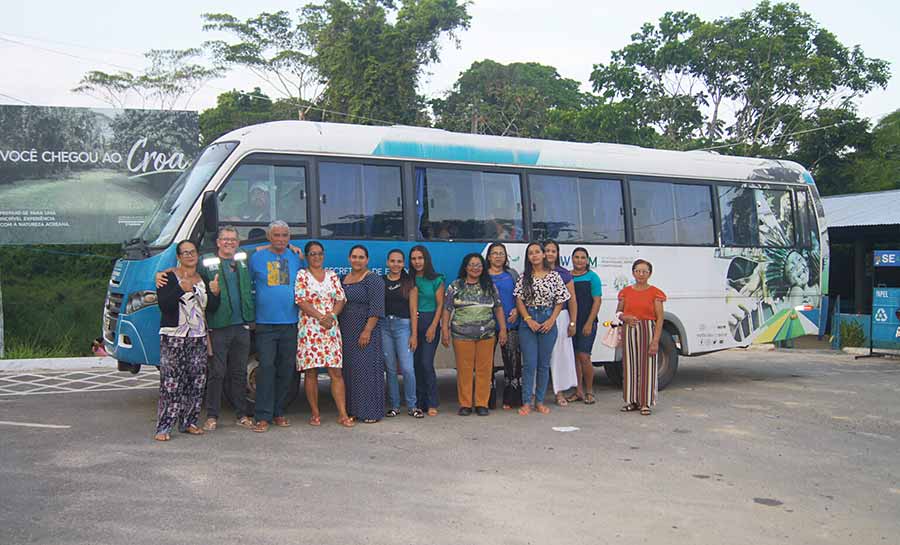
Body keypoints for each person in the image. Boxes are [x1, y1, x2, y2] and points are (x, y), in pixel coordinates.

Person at [154, 240, 220, 441]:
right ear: (179, 256)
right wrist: (180, 289)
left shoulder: (202, 278)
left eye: (193, 252)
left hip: (198, 337)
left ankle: (188, 421)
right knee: (172, 383)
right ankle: (164, 427)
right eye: (185, 253)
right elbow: (165, 306)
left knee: (196, 381)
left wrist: (215, 292)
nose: (190, 256)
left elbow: (211, 308)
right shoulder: (167, 277)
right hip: (174, 336)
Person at [197, 226, 256, 431]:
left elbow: (267, 247)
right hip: (219, 326)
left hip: (242, 326)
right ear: (218, 242)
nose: (229, 243)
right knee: (217, 372)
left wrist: (292, 246)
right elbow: (184, 269)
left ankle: (242, 415)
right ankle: (212, 416)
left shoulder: (241, 259)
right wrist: (163, 272)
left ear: (238, 243)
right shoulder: (206, 262)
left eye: (233, 239)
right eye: (225, 239)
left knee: (239, 372)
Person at [248, 220, 303, 432]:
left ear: (289, 238)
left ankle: (279, 412)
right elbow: (246, 282)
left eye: (285, 236)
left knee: (286, 370)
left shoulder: (296, 257)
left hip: (290, 323)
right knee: (266, 369)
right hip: (265, 324)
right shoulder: (257, 257)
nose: (281, 239)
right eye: (277, 235)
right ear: (269, 237)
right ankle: (262, 416)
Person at [294, 241, 354, 428]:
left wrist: (332, 316)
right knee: (310, 372)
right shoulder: (302, 275)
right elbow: (301, 300)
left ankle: (343, 414)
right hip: (310, 328)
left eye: (319, 253)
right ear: (307, 256)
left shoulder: (332, 276)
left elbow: (340, 298)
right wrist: (320, 317)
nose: (317, 257)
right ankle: (315, 413)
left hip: (330, 328)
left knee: (335, 371)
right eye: (312, 254)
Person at [442, 253, 507, 416]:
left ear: (483, 268)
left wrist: (503, 329)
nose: (475, 268)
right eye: (471, 265)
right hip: (461, 335)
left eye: (478, 265)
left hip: (487, 334)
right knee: (464, 370)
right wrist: (445, 330)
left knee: (484, 370)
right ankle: (465, 404)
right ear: (465, 267)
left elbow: (498, 308)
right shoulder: (455, 286)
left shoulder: (489, 285)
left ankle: (481, 403)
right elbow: (447, 309)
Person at [514, 242, 570, 416]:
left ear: (543, 255)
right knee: (529, 364)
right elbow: (519, 300)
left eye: (537, 252)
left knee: (544, 365)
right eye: (531, 253)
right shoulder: (524, 277)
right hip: (528, 321)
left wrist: (551, 320)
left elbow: (561, 299)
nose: (534, 255)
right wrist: (528, 319)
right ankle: (526, 402)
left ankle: (539, 401)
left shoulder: (554, 276)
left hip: (548, 320)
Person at [340, 245, 386, 424]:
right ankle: (354, 410)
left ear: (367, 260)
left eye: (361, 257)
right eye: (354, 256)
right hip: (346, 331)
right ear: (349, 258)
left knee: (366, 371)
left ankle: (370, 412)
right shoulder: (344, 278)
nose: (357, 260)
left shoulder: (373, 280)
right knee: (350, 371)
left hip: (365, 331)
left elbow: (376, 308)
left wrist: (367, 331)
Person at [617, 259, 666, 416]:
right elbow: (618, 313)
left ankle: (645, 402)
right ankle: (631, 400)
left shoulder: (655, 293)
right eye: (638, 271)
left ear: (650, 274)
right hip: (629, 330)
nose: (641, 274)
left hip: (648, 330)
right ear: (633, 272)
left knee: (648, 367)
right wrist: (625, 317)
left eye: (644, 271)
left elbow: (660, 318)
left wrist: (656, 341)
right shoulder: (625, 292)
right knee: (630, 366)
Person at [382, 249, 423, 418]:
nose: (396, 264)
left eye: (399, 261)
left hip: (403, 327)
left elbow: (414, 310)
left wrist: (414, 334)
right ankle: (395, 406)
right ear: (387, 263)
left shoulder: (409, 283)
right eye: (392, 261)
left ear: (403, 264)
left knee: (407, 368)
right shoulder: (381, 281)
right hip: (384, 326)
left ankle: (412, 405)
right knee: (390, 369)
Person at [487, 242, 523, 409]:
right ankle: (488, 400)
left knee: (512, 362)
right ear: (489, 256)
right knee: (487, 363)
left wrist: (517, 309)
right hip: (487, 325)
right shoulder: (483, 275)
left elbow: (520, 295)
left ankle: (511, 399)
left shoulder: (512, 274)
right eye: (495, 253)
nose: (498, 256)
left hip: (511, 323)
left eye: (501, 253)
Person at [409, 245, 444, 416]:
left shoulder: (436, 279)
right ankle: (419, 402)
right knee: (416, 364)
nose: (417, 262)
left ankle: (432, 402)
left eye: (420, 258)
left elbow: (440, 306)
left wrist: (433, 326)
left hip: (431, 322)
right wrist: (414, 333)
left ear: (426, 259)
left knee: (426, 363)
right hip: (414, 324)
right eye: (414, 259)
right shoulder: (410, 279)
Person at [543, 240, 578, 406]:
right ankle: (537, 395)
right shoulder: (535, 271)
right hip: (540, 316)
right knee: (540, 356)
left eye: (553, 251)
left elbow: (572, 300)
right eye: (547, 250)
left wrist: (573, 322)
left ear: (557, 254)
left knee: (560, 356)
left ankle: (559, 393)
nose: (550, 253)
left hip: (561, 317)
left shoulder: (564, 274)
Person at [570, 247, 602, 404]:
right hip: (572, 322)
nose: (579, 260)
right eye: (576, 257)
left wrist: (589, 322)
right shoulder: (568, 276)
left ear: (587, 260)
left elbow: (597, 301)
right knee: (575, 357)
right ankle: (578, 391)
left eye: (583, 257)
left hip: (587, 322)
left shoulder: (592, 277)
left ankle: (590, 391)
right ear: (572, 259)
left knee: (584, 356)